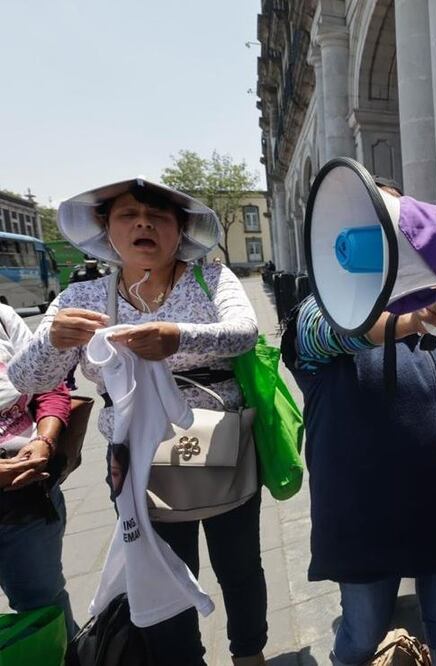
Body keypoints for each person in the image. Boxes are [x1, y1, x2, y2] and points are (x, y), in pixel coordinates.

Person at [10, 177, 267, 666]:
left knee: (239, 563)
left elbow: (243, 332)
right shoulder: (80, 297)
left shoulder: (210, 278)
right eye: (129, 215)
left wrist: (178, 336)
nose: (144, 223)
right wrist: (53, 340)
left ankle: (249, 652)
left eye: (159, 216)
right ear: (108, 229)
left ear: (181, 230)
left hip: (215, 440)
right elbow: (26, 377)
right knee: (159, 565)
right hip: (134, 458)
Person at [284, 181, 436, 666]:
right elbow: (337, 331)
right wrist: (413, 321)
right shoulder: (317, 310)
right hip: (364, 515)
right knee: (362, 629)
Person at [0, 303, 75, 639]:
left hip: (27, 500)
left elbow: (48, 384)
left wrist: (45, 440)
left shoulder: (3, 316)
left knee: (45, 606)